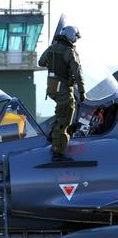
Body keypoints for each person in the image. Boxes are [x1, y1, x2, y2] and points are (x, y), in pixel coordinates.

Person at [38, 25, 85, 161]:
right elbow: (78, 73)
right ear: (71, 36)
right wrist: (82, 92)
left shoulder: (52, 48)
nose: (76, 40)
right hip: (63, 89)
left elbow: (41, 62)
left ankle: (53, 136)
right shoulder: (69, 52)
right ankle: (58, 151)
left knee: (60, 113)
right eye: (75, 37)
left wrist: (55, 67)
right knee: (65, 116)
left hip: (52, 88)